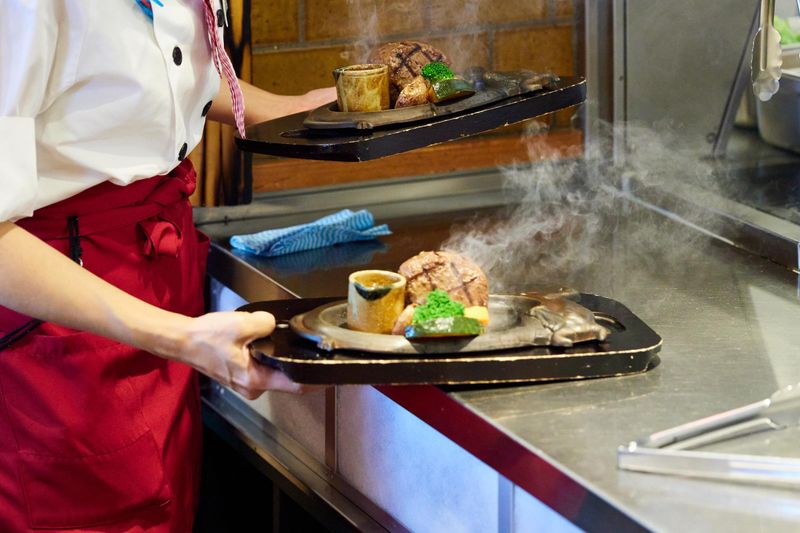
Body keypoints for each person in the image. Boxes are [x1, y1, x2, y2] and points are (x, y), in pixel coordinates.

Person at [0, 1, 335, 530]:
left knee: (165, 502)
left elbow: (144, 68)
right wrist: (181, 337)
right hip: (58, 296)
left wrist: (292, 110)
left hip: (159, 267)